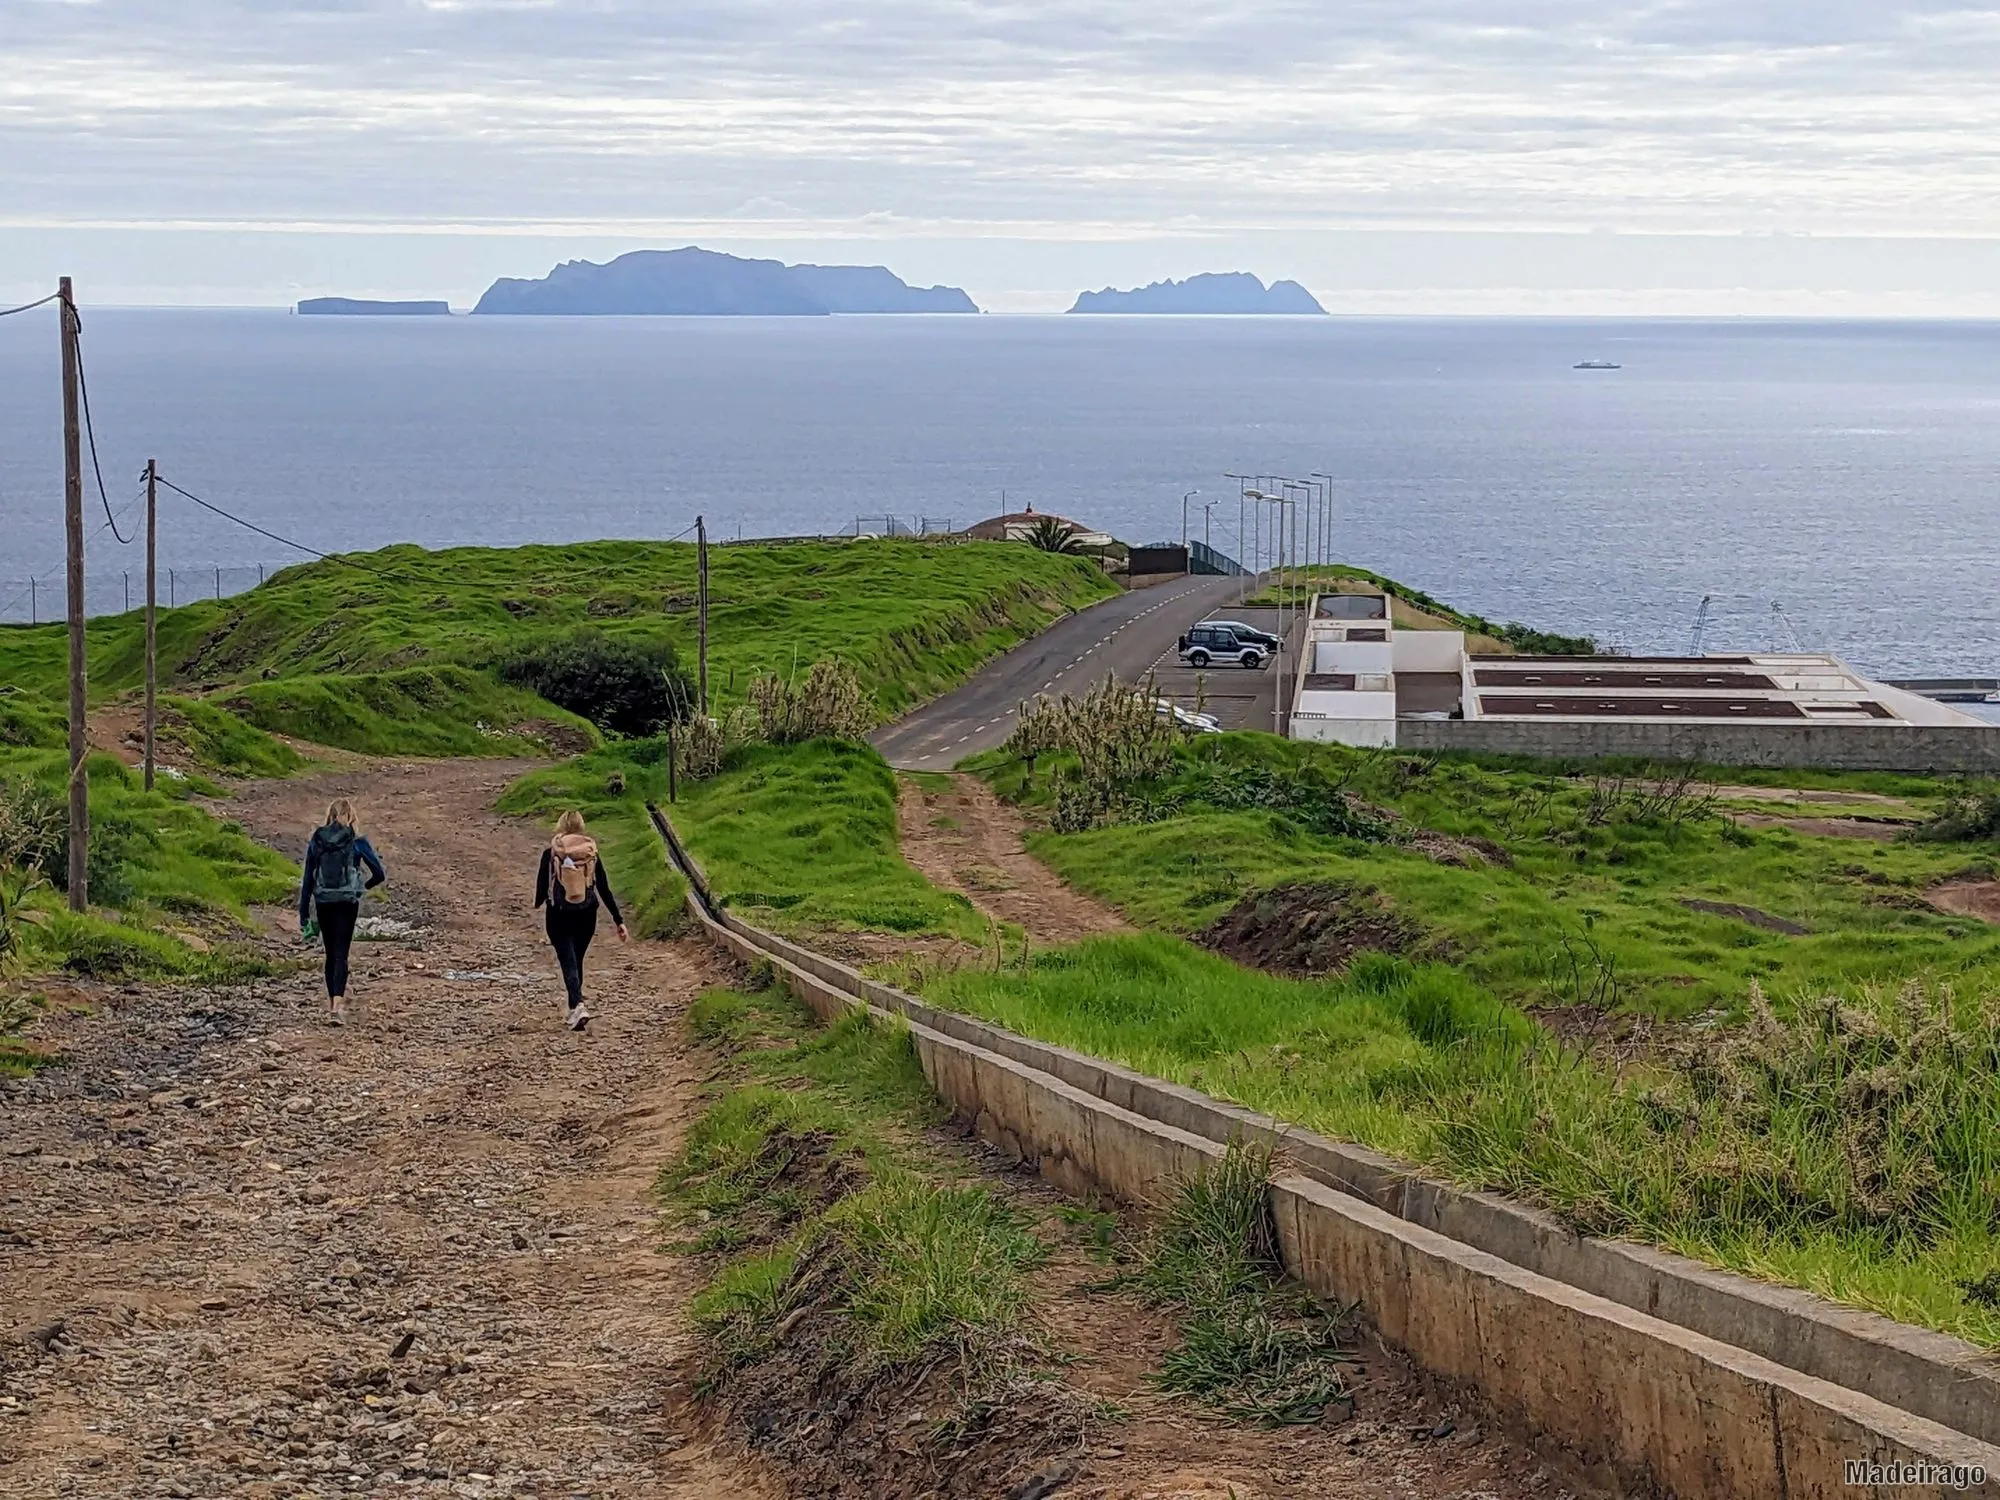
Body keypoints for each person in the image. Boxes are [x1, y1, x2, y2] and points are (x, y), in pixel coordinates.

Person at [534, 810, 628, 1032]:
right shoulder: (590, 854)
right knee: (576, 959)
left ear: (560, 826)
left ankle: (578, 1005)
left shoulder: (551, 853)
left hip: (558, 914)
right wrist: (618, 920)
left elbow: (541, 886)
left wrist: (539, 902)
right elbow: (603, 887)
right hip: (587, 914)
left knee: (568, 961)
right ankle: (573, 1008)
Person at [299, 798, 387, 1025]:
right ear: (351, 817)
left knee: (329, 953)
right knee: (341, 953)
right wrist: (361, 888)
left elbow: (308, 879)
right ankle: (338, 1005)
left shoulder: (316, 840)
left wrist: (303, 914)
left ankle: (331, 1003)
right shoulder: (357, 841)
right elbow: (379, 873)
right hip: (347, 902)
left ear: (329, 815)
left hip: (323, 900)